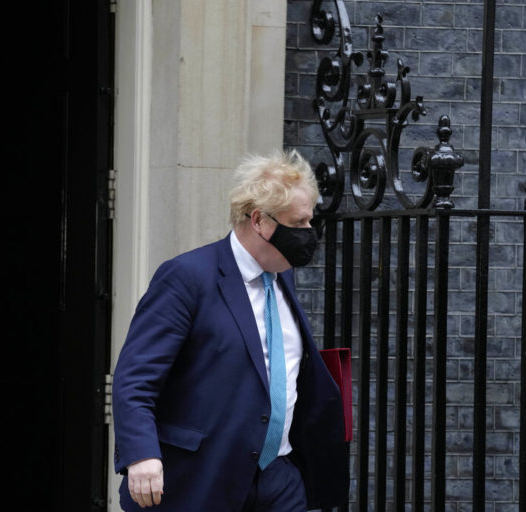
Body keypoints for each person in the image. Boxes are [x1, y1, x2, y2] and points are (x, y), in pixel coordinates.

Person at [112, 149, 349, 511]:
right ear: (259, 220)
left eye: (310, 221)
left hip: (279, 476)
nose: (309, 232)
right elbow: (135, 377)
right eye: (299, 223)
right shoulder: (187, 277)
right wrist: (141, 454)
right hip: (204, 476)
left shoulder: (282, 276)